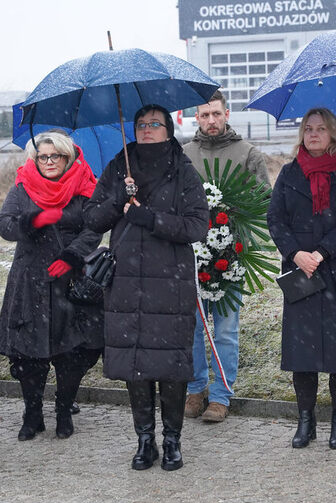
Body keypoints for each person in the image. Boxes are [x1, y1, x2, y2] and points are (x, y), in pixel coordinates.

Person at [84, 104, 209, 471]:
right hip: (125, 281)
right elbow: (92, 217)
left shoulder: (183, 169)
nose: (148, 129)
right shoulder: (118, 166)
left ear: (169, 130)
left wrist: (150, 218)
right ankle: (145, 441)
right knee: (134, 363)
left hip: (170, 282)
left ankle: (172, 441)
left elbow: (196, 226)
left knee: (170, 364)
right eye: (141, 124)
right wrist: (118, 201)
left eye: (156, 123)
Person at [267, 107, 336, 450]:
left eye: (320, 129)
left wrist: (322, 252)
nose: (313, 134)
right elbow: (275, 219)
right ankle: (305, 421)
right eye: (308, 129)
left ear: (333, 133)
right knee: (302, 353)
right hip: (299, 273)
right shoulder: (289, 173)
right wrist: (296, 254)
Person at [0, 131, 104, 441]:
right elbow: (4, 225)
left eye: (55, 156)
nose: (49, 162)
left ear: (67, 157)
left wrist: (72, 255)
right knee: (30, 353)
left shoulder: (84, 185)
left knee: (72, 351)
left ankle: (63, 409)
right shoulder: (23, 185)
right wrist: (34, 220)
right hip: (30, 281)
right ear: (35, 160)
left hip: (70, 280)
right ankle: (32, 413)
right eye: (43, 157)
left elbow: (94, 228)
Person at [182, 89, 270, 423]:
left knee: (226, 331)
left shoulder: (247, 153)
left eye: (216, 114)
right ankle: (195, 389)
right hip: (191, 257)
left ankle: (221, 395)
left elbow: (263, 201)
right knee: (191, 327)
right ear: (197, 118)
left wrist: (235, 214)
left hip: (230, 257)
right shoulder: (185, 154)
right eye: (204, 115)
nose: (211, 120)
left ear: (227, 114)